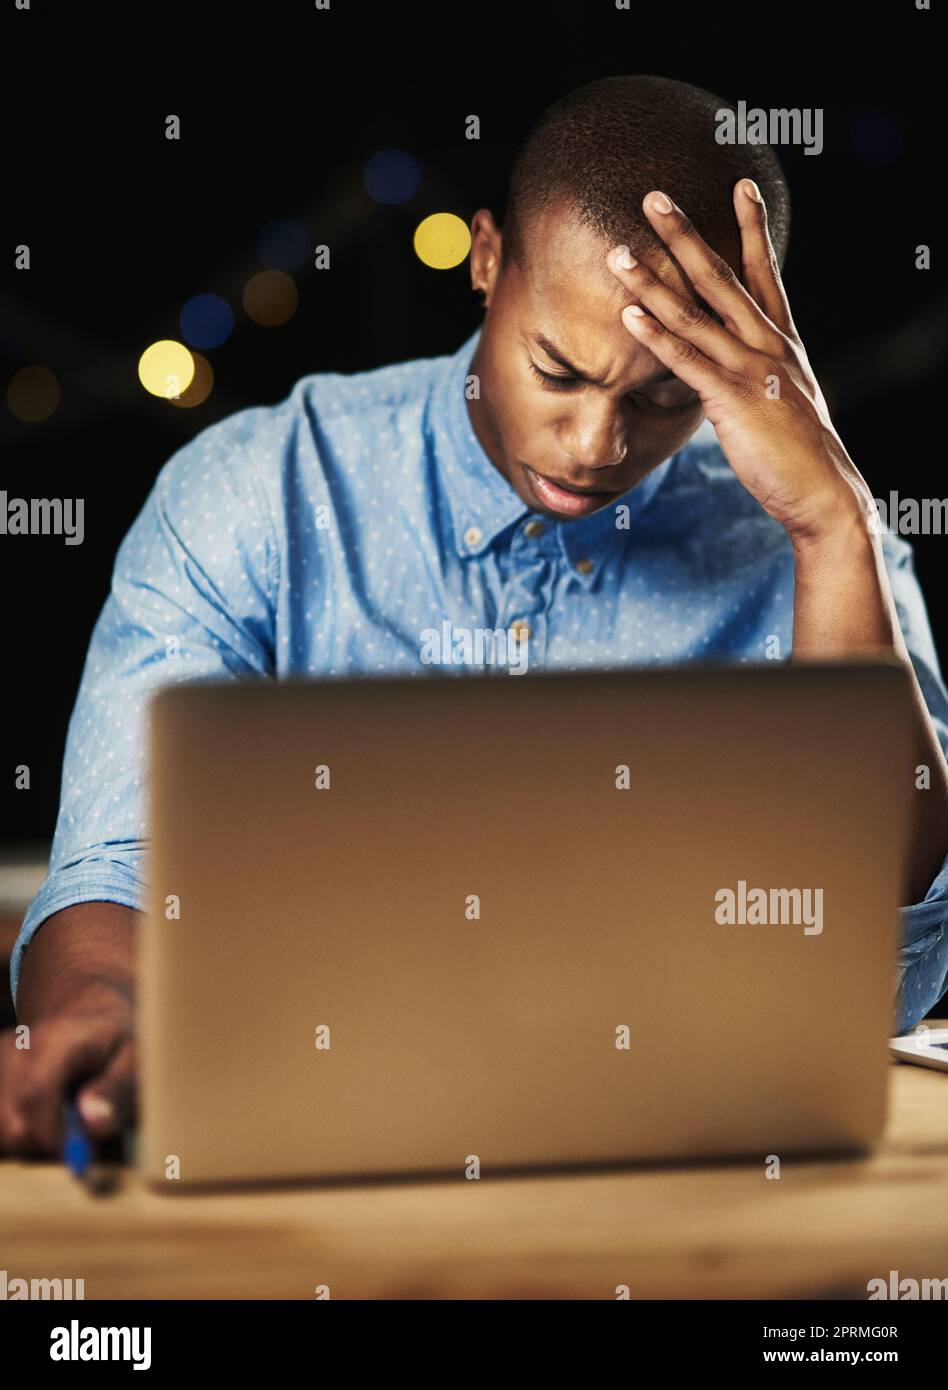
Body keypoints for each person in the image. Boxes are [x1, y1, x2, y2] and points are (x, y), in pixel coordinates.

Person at [3, 74, 946, 1156]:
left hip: (691, 1172)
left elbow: (885, 955)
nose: (596, 443)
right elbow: (117, 866)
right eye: (558, 369)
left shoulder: (822, 545)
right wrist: (105, 1014)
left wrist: (834, 529)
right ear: (488, 259)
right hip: (303, 1159)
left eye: (662, 397)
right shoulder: (255, 493)